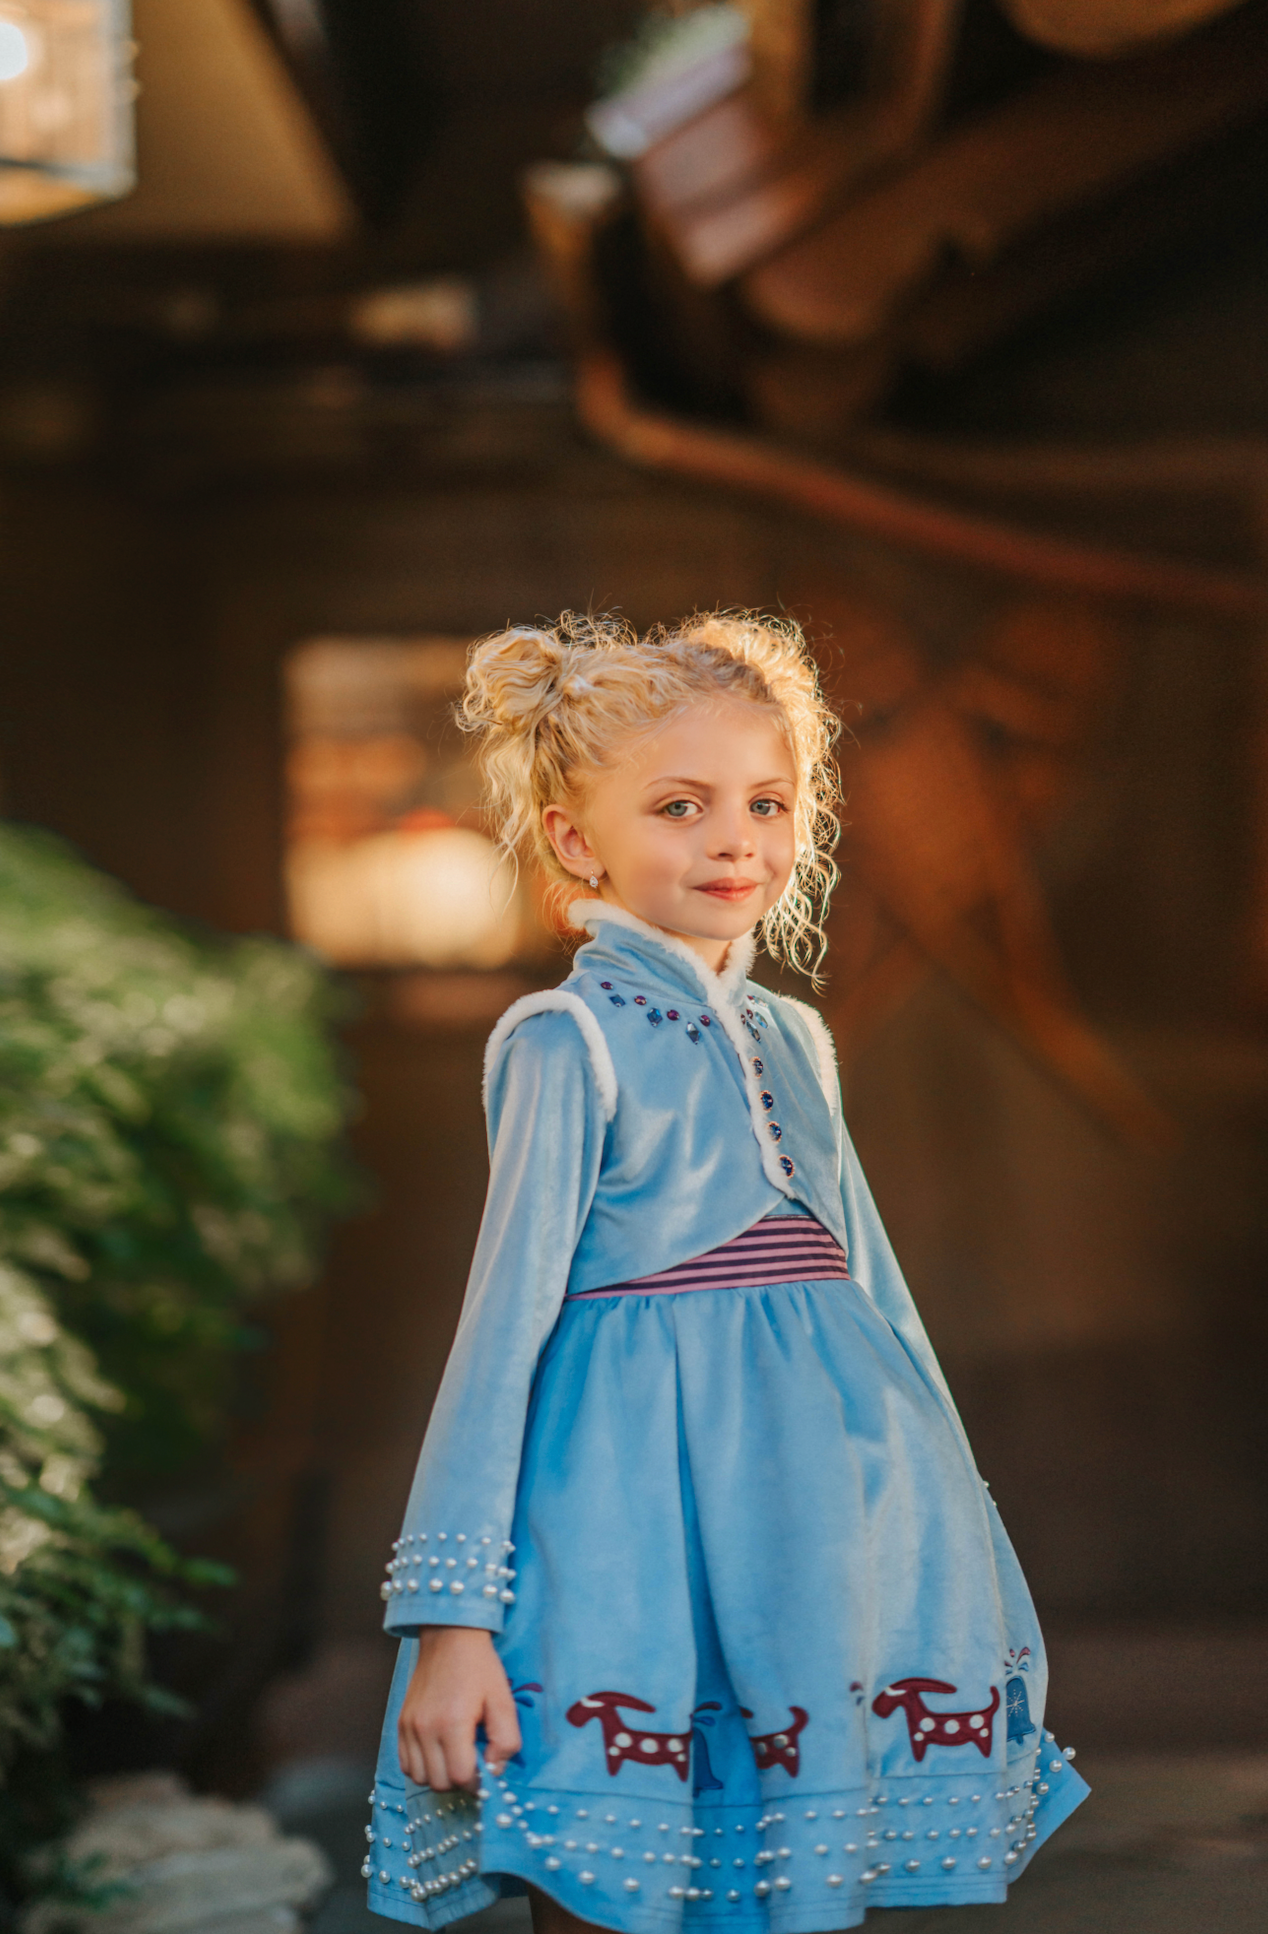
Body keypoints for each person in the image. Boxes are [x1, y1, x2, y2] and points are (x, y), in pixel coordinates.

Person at [364, 612, 1087, 1934]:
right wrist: (448, 1622)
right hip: (623, 1543)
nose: (735, 838)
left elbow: (886, 1316)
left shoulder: (796, 1040)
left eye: (767, 800)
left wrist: (958, 1549)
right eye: (681, 805)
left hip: (808, 1548)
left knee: (790, 1883)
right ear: (579, 839)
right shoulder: (563, 1040)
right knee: (614, 1877)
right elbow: (497, 1337)